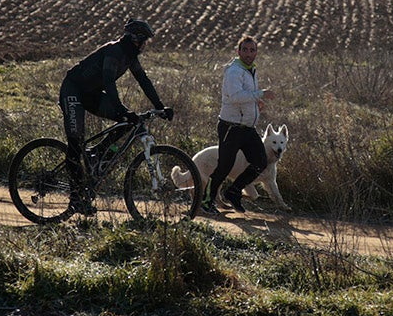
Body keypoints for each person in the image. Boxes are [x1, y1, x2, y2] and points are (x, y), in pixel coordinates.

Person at [58, 18, 173, 197]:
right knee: (75, 143)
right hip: (73, 90)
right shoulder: (114, 52)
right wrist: (120, 108)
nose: (145, 46)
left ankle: (96, 153)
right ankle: (76, 196)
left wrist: (160, 107)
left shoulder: (130, 57)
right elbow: (108, 81)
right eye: (145, 41)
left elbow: (144, 81)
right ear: (136, 40)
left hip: (91, 94)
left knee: (128, 122)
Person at [201, 35, 275, 214]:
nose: (249, 53)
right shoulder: (234, 71)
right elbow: (234, 97)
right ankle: (206, 200)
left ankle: (233, 192)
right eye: (245, 50)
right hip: (231, 127)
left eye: (252, 50)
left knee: (260, 161)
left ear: (256, 52)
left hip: (247, 128)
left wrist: (256, 103)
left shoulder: (251, 70)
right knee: (225, 166)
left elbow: (245, 94)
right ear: (238, 51)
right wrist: (260, 94)